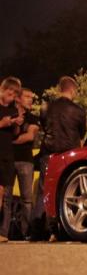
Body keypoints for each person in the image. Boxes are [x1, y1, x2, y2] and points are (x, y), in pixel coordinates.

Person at [31, 76, 87, 240]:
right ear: (72, 90)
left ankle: (37, 232)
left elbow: (44, 125)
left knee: (43, 191)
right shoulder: (78, 110)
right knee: (68, 192)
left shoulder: (46, 107)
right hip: (69, 155)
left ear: (59, 89)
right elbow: (81, 134)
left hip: (49, 152)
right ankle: (64, 230)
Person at [1, 88, 40, 240]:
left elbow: (29, 136)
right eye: (27, 97)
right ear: (18, 99)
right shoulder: (8, 113)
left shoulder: (33, 118)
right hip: (8, 160)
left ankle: (26, 234)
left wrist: (8, 139)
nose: (31, 100)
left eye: (32, 97)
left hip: (25, 161)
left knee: (27, 199)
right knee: (6, 197)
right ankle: (3, 233)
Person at [0, 77, 23, 242]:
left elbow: (15, 135)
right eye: (10, 92)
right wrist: (2, 123)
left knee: (3, 193)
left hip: (7, 155)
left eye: (15, 94)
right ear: (3, 89)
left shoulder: (13, 110)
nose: (12, 96)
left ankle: (2, 232)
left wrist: (16, 124)